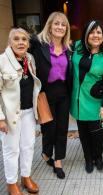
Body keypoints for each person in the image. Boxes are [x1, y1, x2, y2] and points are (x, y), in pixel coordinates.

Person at [0, 28, 41, 195]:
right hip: (9, 116)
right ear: (10, 43)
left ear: (28, 43)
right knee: (11, 150)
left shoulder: (29, 59)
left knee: (28, 146)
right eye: (16, 39)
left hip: (29, 112)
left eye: (24, 39)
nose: (21, 42)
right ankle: (11, 184)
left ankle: (25, 176)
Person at [29, 12, 72, 179]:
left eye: (63, 25)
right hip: (45, 93)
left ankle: (58, 161)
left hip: (64, 93)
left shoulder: (69, 48)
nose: (60, 27)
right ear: (49, 26)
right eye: (57, 24)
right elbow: (18, 46)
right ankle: (46, 152)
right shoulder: (38, 44)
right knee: (49, 128)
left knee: (62, 128)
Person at [70, 20, 103, 173]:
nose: (95, 35)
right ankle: (88, 158)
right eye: (92, 32)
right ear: (86, 34)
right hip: (77, 100)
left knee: (96, 133)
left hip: (95, 101)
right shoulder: (76, 48)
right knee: (83, 133)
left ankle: (98, 157)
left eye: (99, 32)